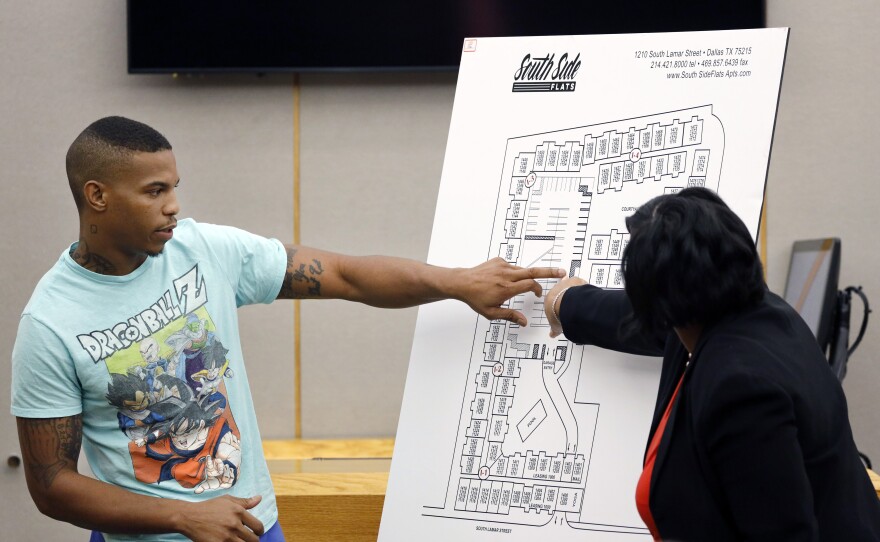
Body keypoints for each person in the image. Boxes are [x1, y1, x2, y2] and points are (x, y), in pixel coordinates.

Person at [11, 116, 565, 542]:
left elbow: (347, 275)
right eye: (154, 191)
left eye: (174, 187)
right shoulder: (52, 322)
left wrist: (456, 281)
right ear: (97, 196)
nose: (174, 207)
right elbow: (50, 483)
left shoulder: (205, 251)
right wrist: (184, 516)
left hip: (250, 527)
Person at [544, 187, 880, 541]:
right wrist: (566, 303)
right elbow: (637, 322)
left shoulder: (740, 389)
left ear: (657, 303)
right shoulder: (754, 310)